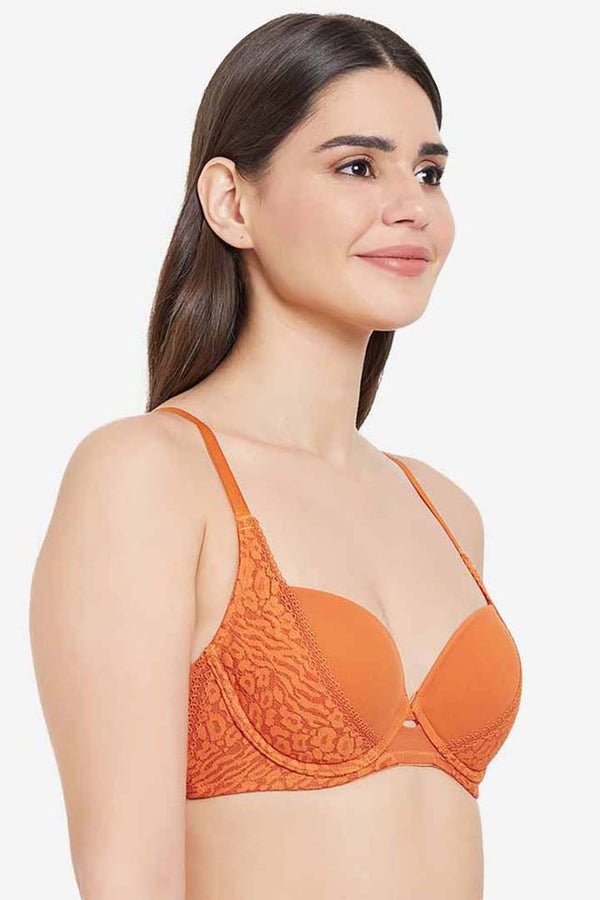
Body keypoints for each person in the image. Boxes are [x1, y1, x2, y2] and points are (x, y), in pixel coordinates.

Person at [29, 12, 522, 900]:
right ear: (232, 201)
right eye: (357, 166)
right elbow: (127, 879)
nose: (412, 205)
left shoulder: (445, 509)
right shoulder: (150, 476)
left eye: (430, 172)